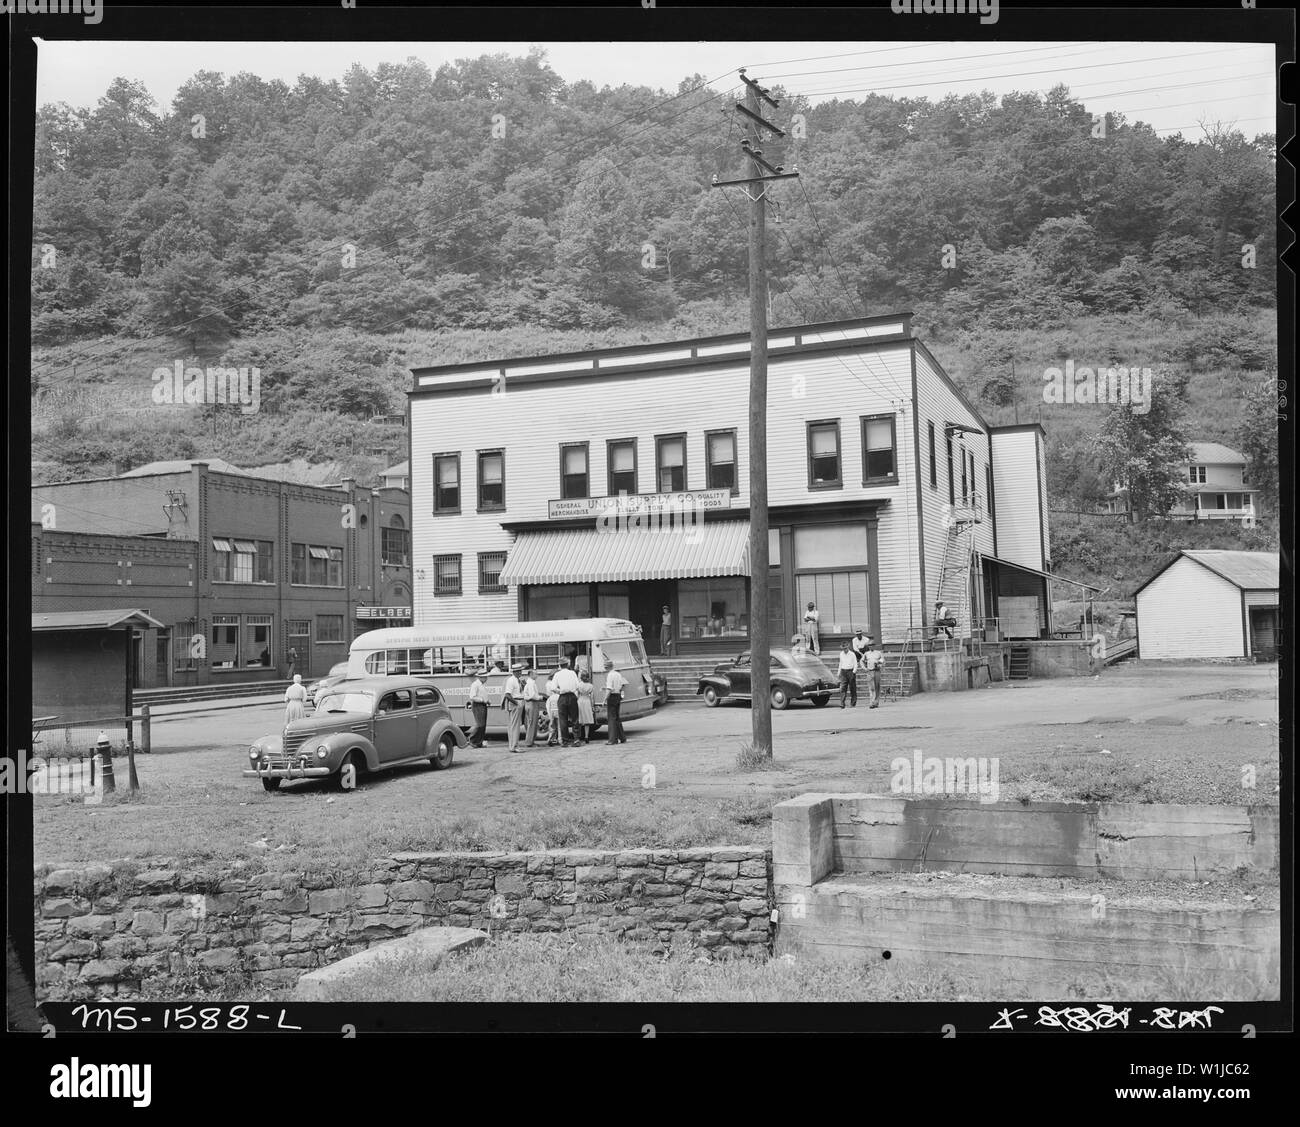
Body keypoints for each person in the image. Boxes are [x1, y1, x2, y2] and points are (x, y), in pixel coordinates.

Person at [551, 658, 580, 746]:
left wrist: (560, 691)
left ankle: (565, 740)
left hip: (562, 697)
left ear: (560, 665)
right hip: (572, 696)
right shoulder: (572, 673)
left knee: (563, 719)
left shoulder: (557, 674)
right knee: (574, 718)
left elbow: (553, 688)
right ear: (567, 664)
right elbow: (577, 686)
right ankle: (576, 739)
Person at [604, 660, 628, 745]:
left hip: (612, 696)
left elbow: (609, 688)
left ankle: (612, 739)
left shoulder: (610, 675)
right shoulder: (618, 674)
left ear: (607, 667)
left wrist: (605, 699)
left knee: (611, 718)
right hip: (618, 695)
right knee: (617, 717)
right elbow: (621, 685)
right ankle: (622, 737)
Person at [502, 663, 523, 753]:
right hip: (515, 702)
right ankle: (514, 746)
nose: (521, 672)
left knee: (513, 725)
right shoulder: (511, 680)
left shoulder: (517, 680)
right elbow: (507, 694)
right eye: (519, 671)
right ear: (516, 672)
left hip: (516, 702)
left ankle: (512, 745)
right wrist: (517, 703)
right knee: (515, 726)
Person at [467, 667, 488, 748]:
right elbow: (472, 697)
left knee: (483, 725)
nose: (486, 678)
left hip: (482, 704)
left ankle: (479, 742)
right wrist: (482, 700)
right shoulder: (475, 685)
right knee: (480, 724)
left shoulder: (481, 684)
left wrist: (486, 700)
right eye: (485, 677)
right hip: (477, 705)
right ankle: (472, 739)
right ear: (480, 677)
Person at [521, 666, 541, 748]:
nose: (537, 675)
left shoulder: (530, 682)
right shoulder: (531, 683)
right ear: (531, 674)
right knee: (532, 723)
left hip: (530, 703)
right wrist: (540, 697)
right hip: (532, 703)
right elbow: (532, 695)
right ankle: (529, 742)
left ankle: (531, 741)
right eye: (536, 674)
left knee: (532, 723)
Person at [862, 635, 884, 708]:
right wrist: (865, 668)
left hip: (877, 671)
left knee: (877, 687)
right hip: (870, 672)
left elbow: (883, 661)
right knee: (871, 688)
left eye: (872, 645)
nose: (871, 647)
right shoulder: (866, 654)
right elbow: (861, 661)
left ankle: (876, 702)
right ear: (868, 646)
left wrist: (879, 664)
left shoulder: (878, 653)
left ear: (874, 646)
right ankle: (871, 702)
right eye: (869, 645)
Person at [837, 642, 859, 708]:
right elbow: (840, 663)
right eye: (843, 649)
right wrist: (839, 672)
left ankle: (853, 703)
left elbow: (855, 663)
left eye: (846, 648)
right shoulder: (841, 654)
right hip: (843, 671)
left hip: (850, 671)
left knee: (852, 688)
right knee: (843, 688)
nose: (845, 650)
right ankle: (842, 703)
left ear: (848, 648)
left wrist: (854, 672)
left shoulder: (852, 654)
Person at [576, 669, 596, 744]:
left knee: (580, 720)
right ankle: (586, 736)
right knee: (587, 721)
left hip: (580, 701)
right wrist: (592, 705)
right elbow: (592, 697)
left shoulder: (579, 685)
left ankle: (579, 736)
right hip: (587, 701)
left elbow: (577, 695)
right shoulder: (591, 686)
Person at [544, 675, 561, 747]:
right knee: (559, 726)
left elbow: (548, 706)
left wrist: (549, 714)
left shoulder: (550, 698)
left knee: (552, 727)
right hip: (559, 713)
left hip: (552, 713)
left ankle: (550, 739)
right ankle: (560, 739)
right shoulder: (559, 697)